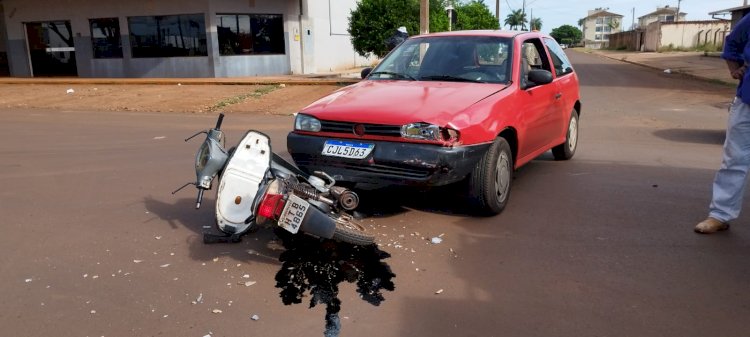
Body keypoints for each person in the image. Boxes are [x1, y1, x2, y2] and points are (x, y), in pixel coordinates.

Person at [695, 14, 750, 234]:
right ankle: (720, 214)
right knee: (734, 158)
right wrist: (733, 68)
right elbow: (733, 42)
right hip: (747, 100)